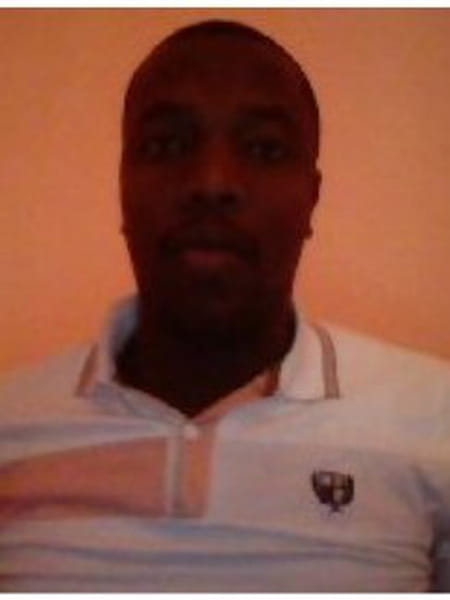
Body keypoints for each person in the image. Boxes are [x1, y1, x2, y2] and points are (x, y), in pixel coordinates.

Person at [1, 19, 449, 592]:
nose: (211, 182)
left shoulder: (434, 416)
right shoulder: (11, 422)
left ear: (311, 200)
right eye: (167, 145)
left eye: (264, 148)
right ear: (122, 186)